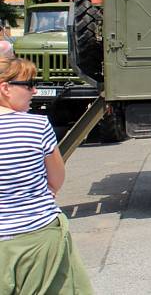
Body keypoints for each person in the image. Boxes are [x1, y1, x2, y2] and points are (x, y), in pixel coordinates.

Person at [0, 57, 93, 293]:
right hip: (38, 238)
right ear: (5, 88)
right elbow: (56, 179)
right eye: (29, 84)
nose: (34, 90)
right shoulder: (36, 126)